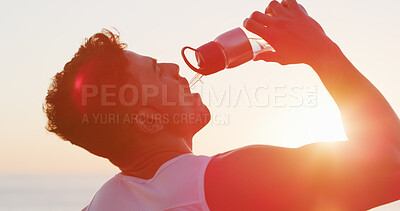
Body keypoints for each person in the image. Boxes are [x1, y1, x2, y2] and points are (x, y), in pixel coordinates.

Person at [44, 0, 400, 210]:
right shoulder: (229, 180)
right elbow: (393, 165)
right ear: (149, 121)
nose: (174, 68)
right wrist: (321, 52)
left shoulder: (100, 205)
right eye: (156, 71)